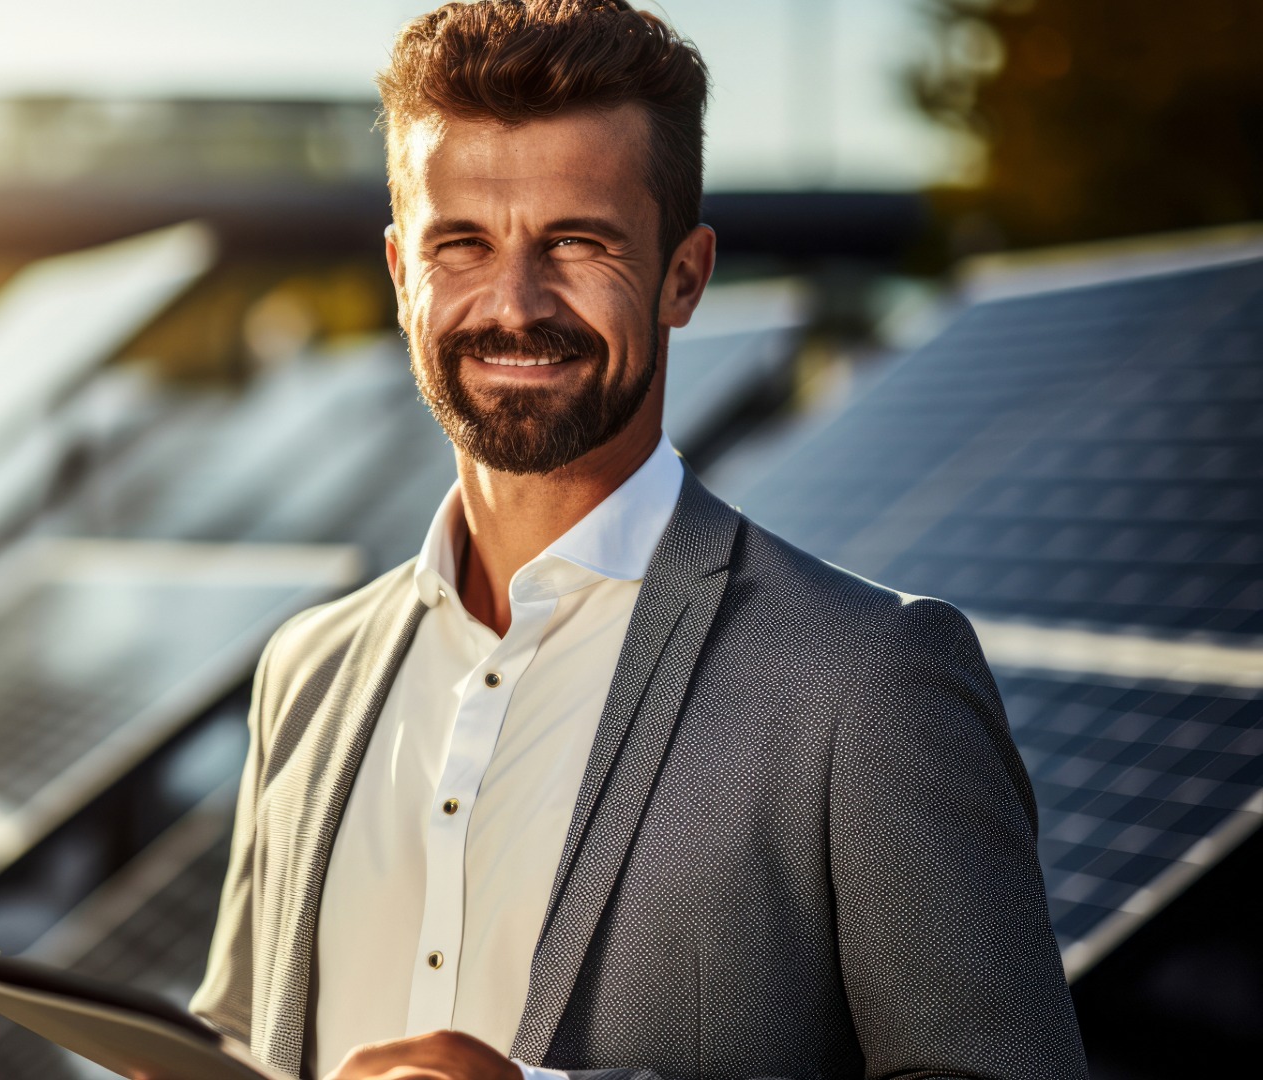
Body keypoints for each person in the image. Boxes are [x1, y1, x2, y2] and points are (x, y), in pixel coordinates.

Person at [190, 2, 1088, 1078]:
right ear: (399, 275)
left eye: (576, 242)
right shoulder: (308, 670)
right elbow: (237, 1038)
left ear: (685, 275)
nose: (514, 305)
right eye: (461, 245)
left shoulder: (867, 681)